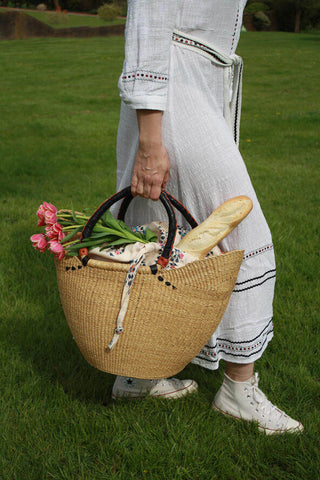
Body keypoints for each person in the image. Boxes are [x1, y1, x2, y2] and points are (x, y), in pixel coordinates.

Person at [111, 0, 303, 435]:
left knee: (157, 233)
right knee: (238, 231)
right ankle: (238, 389)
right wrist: (150, 140)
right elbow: (149, 15)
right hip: (172, 89)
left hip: (191, 83)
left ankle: (138, 374)